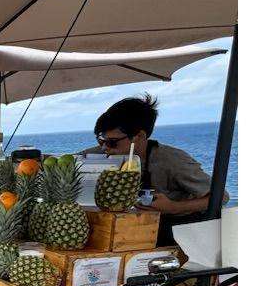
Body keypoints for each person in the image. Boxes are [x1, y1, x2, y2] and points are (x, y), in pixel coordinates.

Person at [87, 94, 225, 243]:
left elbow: (221, 197)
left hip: (175, 233)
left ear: (139, 136)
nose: (104, 148)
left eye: (112, 142)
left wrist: (173, 207)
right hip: (126, 230)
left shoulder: (172, 161)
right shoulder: (95, 156)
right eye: (101, 140)